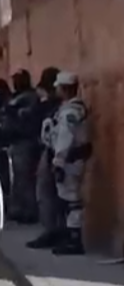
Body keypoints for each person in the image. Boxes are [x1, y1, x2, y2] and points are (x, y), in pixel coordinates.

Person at [48, 71, 89, 255]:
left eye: (58, 88)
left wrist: (58, 162)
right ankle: (69, 235)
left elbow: (65, 138)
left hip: (70, 160)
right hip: (72, 158)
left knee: (71, 199)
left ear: (64, 89)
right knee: (67, 198)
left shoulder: (70, 113)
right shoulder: (69, 109)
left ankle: (74, 240)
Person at [27, 78, 65, 249]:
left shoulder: (58, 108)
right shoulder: (57, 107)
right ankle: (55, 231)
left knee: (48, 194)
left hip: (56, 153)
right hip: (51, 151)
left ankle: (53, 232)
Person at [5, 70, 40, 223]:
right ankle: (19, 209)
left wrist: (13, 111)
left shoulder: (30, 97)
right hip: (15, 140)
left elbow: (25, 115)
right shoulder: (17, 96)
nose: (15, 82)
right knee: (18, 178)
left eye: (18, 79)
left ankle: (30, 211)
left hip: (26, 140)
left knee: (25, 178)